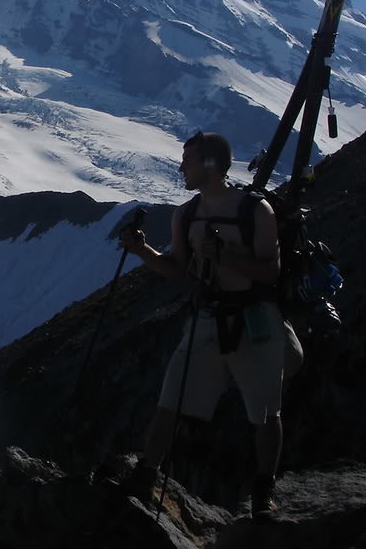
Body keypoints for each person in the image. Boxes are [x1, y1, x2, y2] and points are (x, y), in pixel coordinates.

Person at [120, 131, 285, 522]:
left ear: (210, 165)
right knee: (170, 401)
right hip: (212, 315)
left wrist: (225, 257)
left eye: (188, 160)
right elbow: (178, 268)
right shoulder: (188, 213)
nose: (181, 167)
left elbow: (271, 271)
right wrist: (143, 250)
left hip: (253, 316)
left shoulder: (256, 211)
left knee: (265, 411)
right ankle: (147, 474)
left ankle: (264, 489)